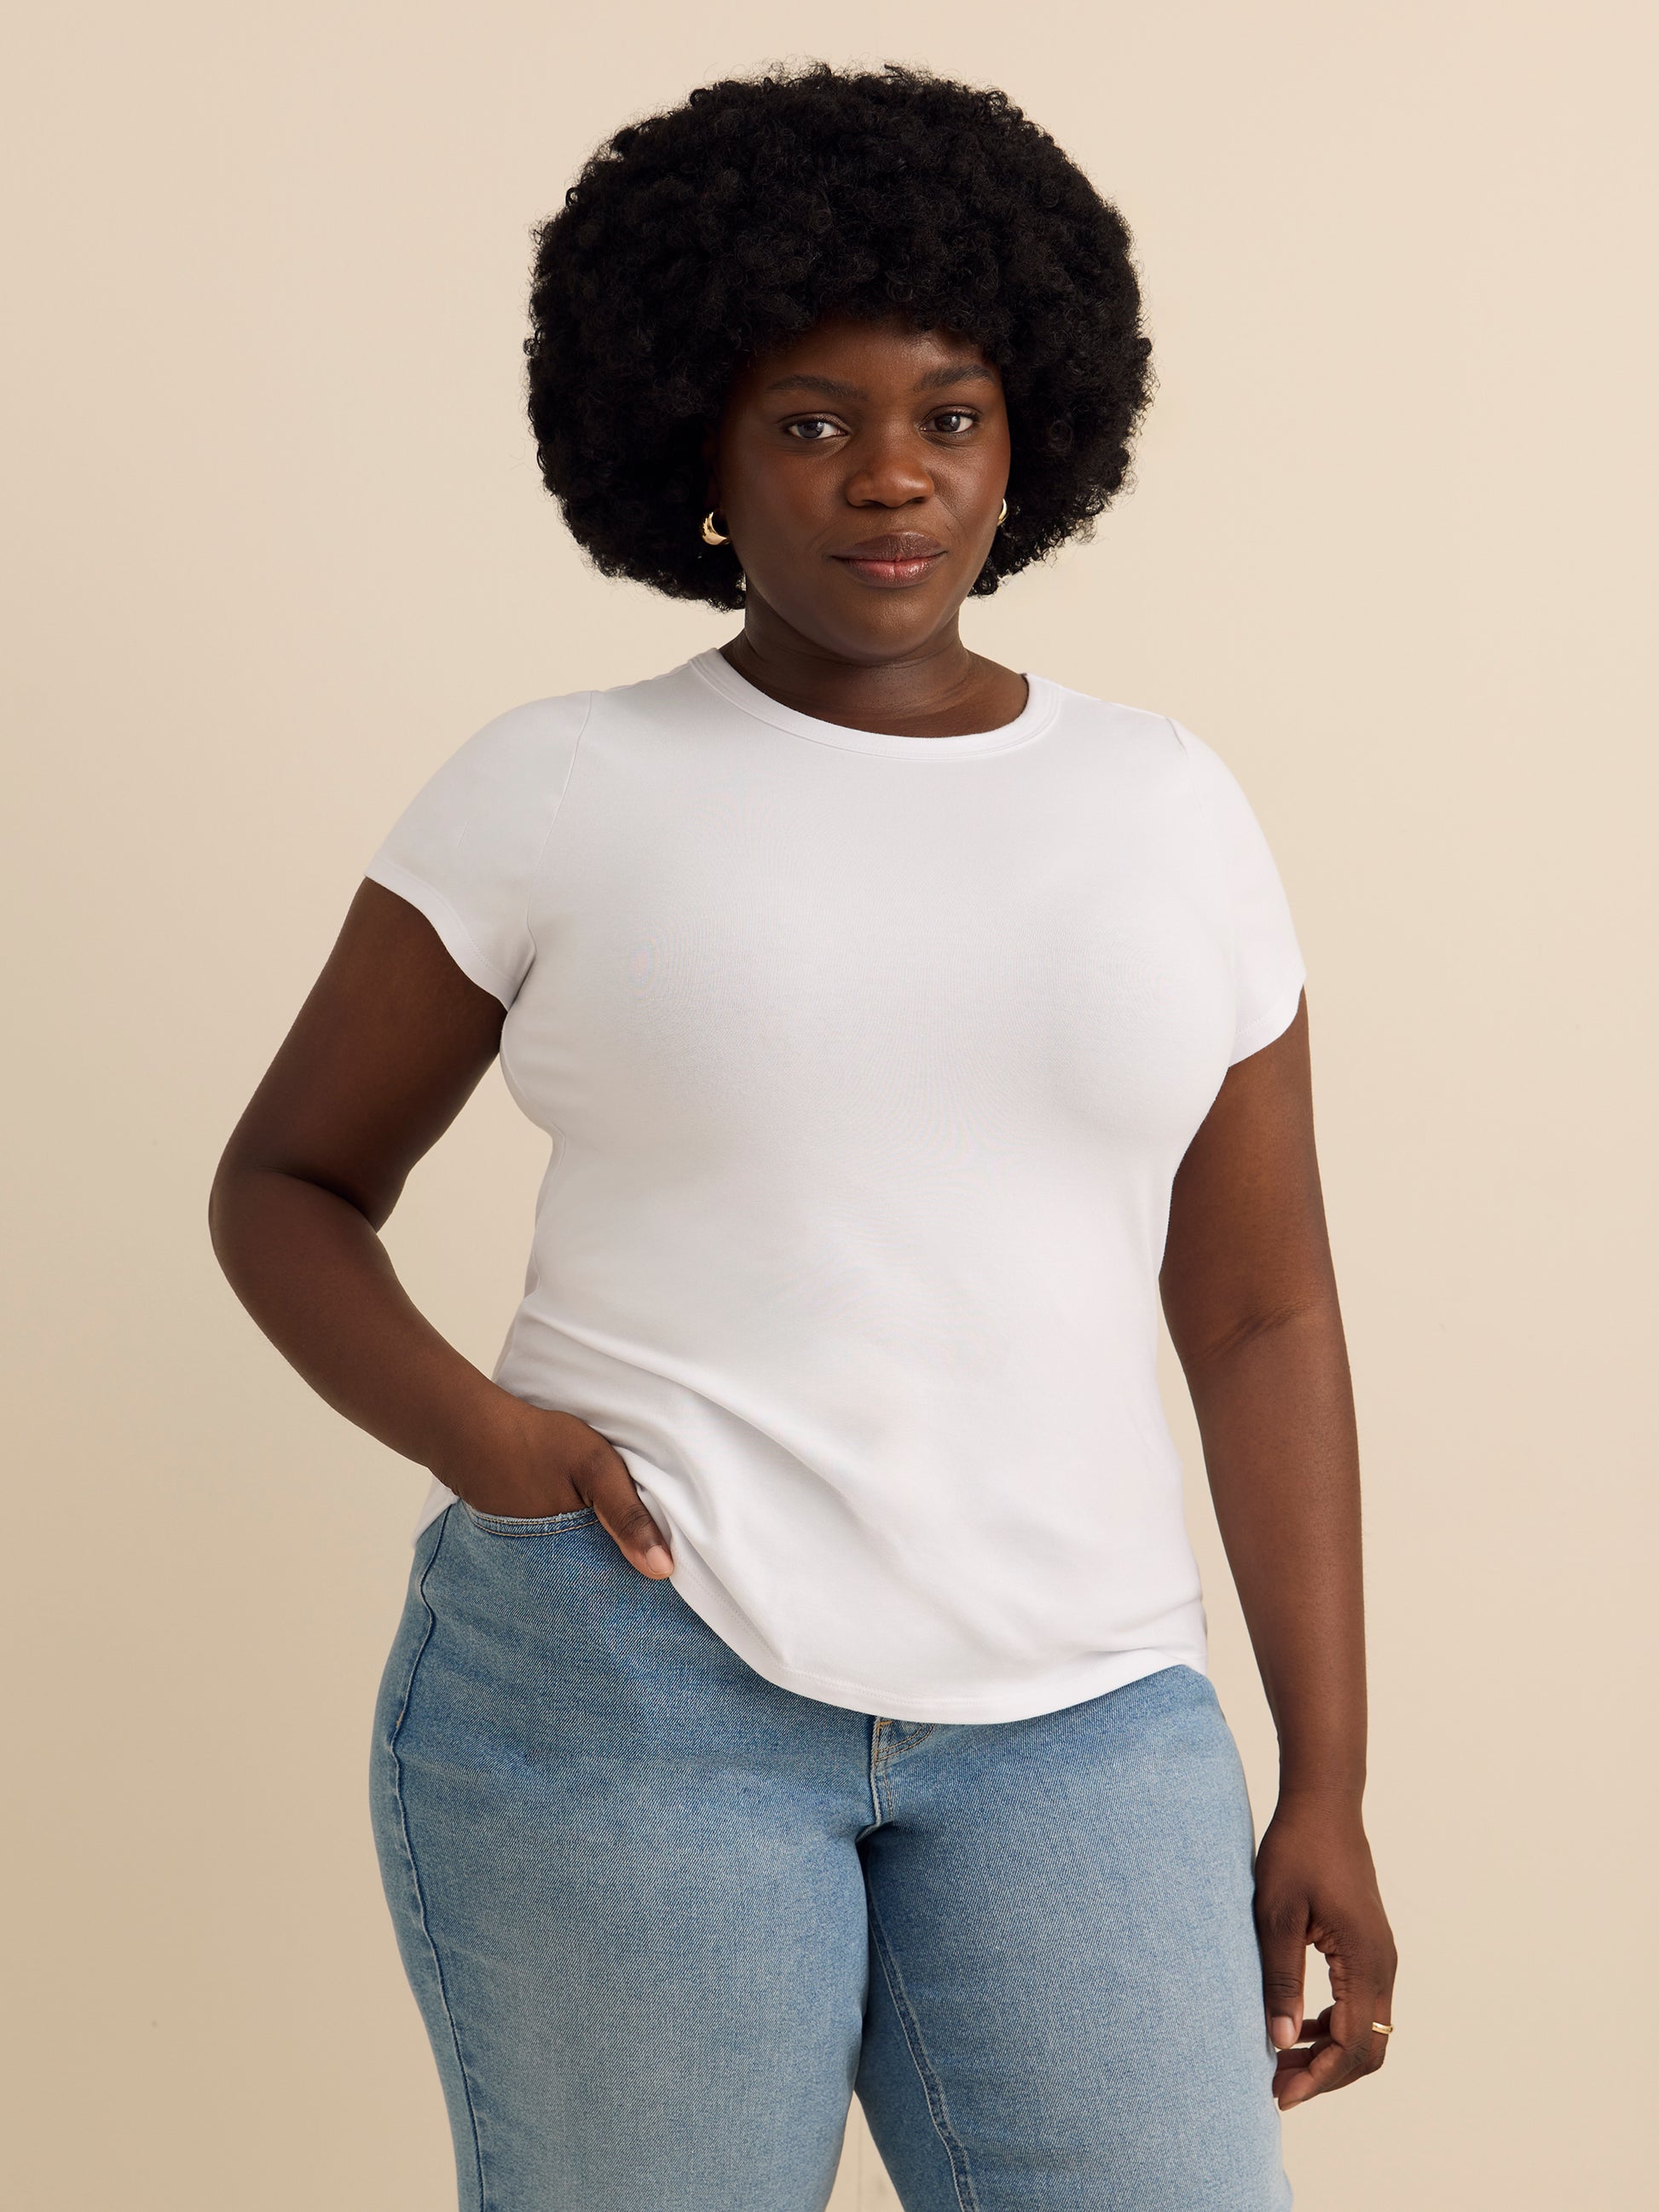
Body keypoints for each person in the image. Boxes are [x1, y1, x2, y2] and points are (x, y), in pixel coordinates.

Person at [209, 61, 1396, 2212]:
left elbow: (1259, 1306)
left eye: (949, 412)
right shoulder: (556, 785)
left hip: (1085, 1710)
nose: (891, 475)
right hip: (634, 1681)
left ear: (1030, 436)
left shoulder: (1164, 805)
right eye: (812, 420)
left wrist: (1327, 1775)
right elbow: (286, 1184)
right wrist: (495, 1445)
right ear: (698, 451)